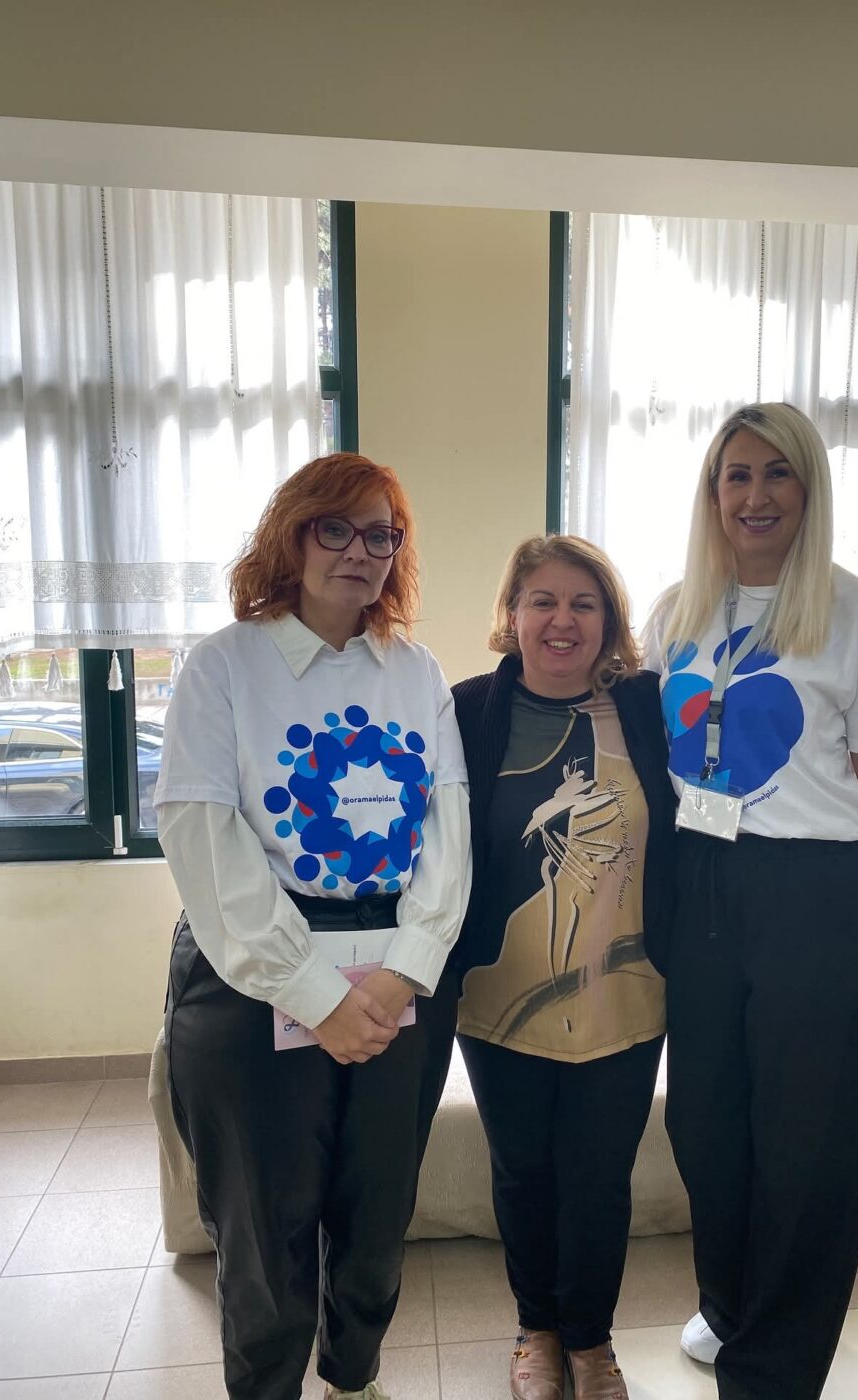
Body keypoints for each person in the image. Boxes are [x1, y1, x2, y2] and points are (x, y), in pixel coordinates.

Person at [155, 452, 472, 1400]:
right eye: (335, 528)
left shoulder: (416, 672)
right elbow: (204, 838)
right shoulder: (224, 666)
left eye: (382, 535)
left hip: (397, 972)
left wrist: (406, 969)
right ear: (290, 537)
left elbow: (448, 834)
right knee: (264, 1229)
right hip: (252, 979)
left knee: (378, 1216)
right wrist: (314, 996)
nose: (360, 552)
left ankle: (353, 1376)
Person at [644, 403, 858, 1400]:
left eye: (779, 474)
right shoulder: (677, 611)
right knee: (705, 1127)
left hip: (820, 897)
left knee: (811, 1145)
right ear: (712, 492)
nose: (756, 495)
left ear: (809, 490)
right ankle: (732, 1308)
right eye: (737, 474)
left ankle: (775, 1368)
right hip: (701, 886)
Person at [451, 535, 676, 1400]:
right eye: (542, 600)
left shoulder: (647, 707)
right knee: (523, 1170)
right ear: (512, 614)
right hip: (499, 992)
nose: (562, 620)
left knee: (599, 1177)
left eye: (585, 604)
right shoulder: (468, 711)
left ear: (609, 622)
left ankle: (591, 1340)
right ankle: (536, 1331)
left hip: (628, 988)